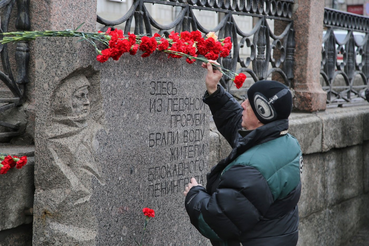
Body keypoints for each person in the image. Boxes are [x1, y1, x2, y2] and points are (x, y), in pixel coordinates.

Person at [184, 61, 302, 246]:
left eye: (249, 103)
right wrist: (215, 91)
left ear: (263, 114)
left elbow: (217, 221)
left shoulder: (252, 170)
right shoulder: (283, 142)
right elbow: (237, 124)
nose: (242, 104)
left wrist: (194, 194)